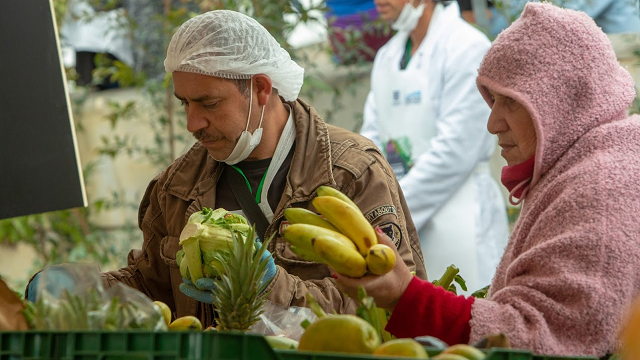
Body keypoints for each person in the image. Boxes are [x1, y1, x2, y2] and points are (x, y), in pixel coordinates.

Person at [26, 10, 427, 327]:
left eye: (209, 103)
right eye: (185, 103)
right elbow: (151, 286)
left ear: (261, 89)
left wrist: (266, 286)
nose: (192, 123)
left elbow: (394, 303)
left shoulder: (350, 171)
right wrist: (85, 290)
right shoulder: (177, 187)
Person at [336, 2, 640, 356]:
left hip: (458, 214)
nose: (493, 124)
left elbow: (542, 337)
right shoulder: (579, 167)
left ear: (561, 99)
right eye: (491, 101)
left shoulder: (598, 193)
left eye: (510, 102)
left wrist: (406, 293)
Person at [360, 0, 509, 294]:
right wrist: (383, 206)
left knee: (467, 314)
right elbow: (369, 142)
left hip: (460, 212)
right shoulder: (387, 56)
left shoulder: (466, 46)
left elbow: (455, 151)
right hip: (396, 213)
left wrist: (392, 210)